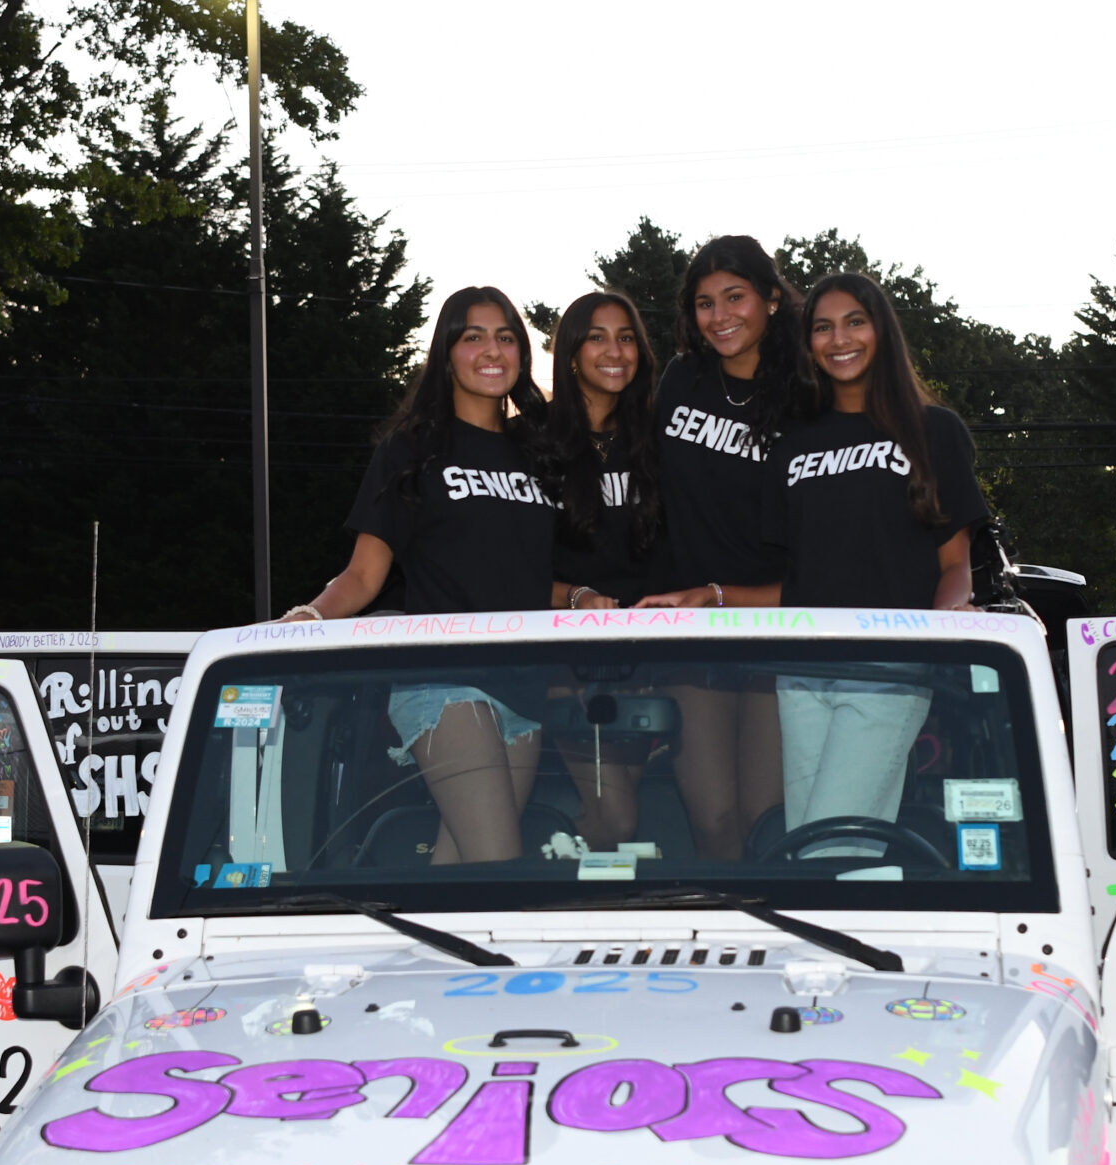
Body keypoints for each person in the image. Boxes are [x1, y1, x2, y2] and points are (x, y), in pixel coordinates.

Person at [285, 287, 560, 863]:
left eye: (506, 337)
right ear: (447, 354)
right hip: (444, 679)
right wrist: (307, 617)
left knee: (460, 865)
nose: (493, 350)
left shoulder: (539, 452)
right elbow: (364, 575)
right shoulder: (412, 450)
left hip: (525, 681)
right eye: (474, 337)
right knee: (498, 863)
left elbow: (538, 573)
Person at [768, 272, 989, 842]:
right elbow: (786, 566)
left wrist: (946, 623)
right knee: (811, 838)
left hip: (887, 668)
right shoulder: (792, 437)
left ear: (882, 331)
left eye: (855, 322)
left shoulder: (933, 429)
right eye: (822, 328)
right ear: (808, 343)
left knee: (832, 837)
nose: (839, 339)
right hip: (800, 666)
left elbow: (955, 563)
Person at [628, 236, 804, 859]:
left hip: (770, 627)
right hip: (689, 631)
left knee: (763, 819)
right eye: (705, 303)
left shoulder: (806, 393)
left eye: (735, 297)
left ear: (772, 299)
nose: (720, 315)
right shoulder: (683, 377)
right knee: (712, 815)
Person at [538, 290, 664, 848]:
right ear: (570, 353)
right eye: (597, 337)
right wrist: (575, 596)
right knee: (618, 819)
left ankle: (572, 875)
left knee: (621, 818)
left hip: (649, 660)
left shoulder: (656, 440)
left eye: (627, 337)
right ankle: (543, 866)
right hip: (565, 661)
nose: (615, 351)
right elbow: (507, 564)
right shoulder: (534, 442)